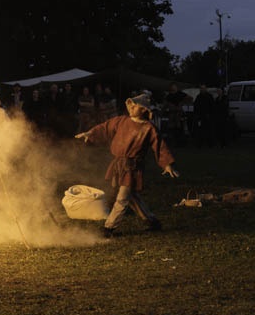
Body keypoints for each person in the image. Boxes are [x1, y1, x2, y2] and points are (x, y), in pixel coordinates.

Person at [76, 93, 179, 237]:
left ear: (144, 109)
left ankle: (109, 228)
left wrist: (167, 164)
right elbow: (105, 127)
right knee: (131, 196)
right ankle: (152, 221)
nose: (131, 107)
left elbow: (159, 146)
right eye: (130, 104)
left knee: (122, 198)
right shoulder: (121, 121)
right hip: (119, 164)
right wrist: (90, 133)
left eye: (135, 105)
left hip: (132, 168)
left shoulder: (149, 128)